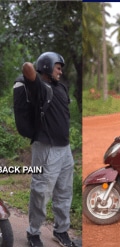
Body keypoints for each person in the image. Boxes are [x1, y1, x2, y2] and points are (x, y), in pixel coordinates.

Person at [22, 52, 76, 247]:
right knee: (41, 191)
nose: (61, 71)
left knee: (64, 192)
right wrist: (38, 68)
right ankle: (33, 232)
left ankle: (61, 231)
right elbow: (27, 68)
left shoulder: (60, 87)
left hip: (65, 149)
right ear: (47, 67)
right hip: (47, 149)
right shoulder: (40, 88)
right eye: (57, 67)